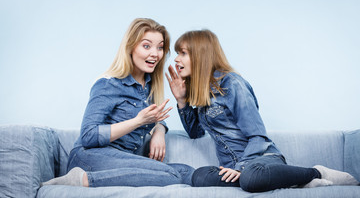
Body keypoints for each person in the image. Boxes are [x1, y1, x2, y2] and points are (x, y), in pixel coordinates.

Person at [165, 29, 359, 192]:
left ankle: (315, 173)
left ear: (200, 55)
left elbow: (258, 136)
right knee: (200, 177)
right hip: (235, 168)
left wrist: (242, 168)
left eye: (182, 53)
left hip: (262, 161)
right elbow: (194, 133)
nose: (176, 59)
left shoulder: (232, 84)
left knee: (251, 179)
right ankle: (291, 182)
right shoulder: (203, 93)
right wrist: (182, 100)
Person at [42, 18, 194, 187]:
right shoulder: (108, 84)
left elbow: (153, 117)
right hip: (90, 158)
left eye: (160, 47)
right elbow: (88, 136)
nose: (155, 53)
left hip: (124, 159)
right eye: (146, 46)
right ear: (130, 47)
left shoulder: (149, 86)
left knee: (186, 172)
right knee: (170, 175)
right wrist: (138, 121)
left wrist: (159, 129)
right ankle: (81, 180)